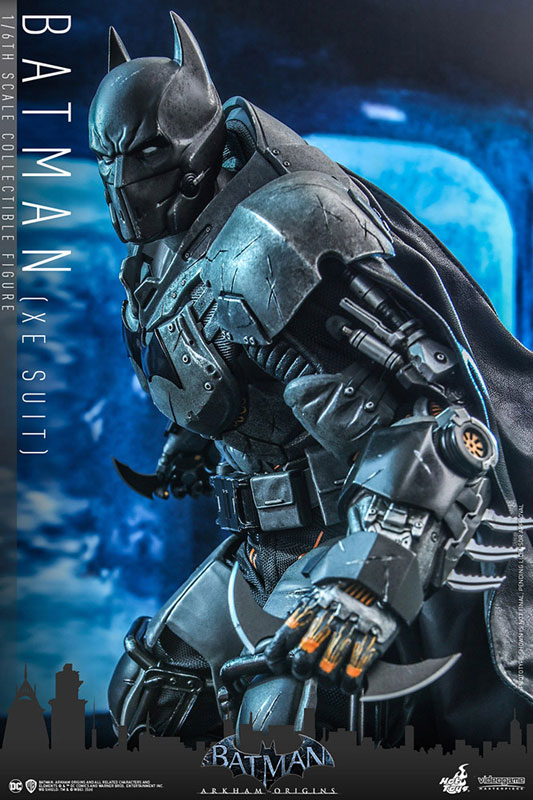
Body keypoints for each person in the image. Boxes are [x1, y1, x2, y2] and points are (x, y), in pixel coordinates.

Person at [89, 11, 533, 748]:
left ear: (199, 147)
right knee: (154, 701)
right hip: (267, 542)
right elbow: (231, 369)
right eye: (108, 159)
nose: (123, 181)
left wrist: (368, 579)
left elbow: (433, 422)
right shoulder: (162, 257)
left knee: (283, 735)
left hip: (353, 537)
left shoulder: (283, 232)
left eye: (146, 153)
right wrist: (196, 442)